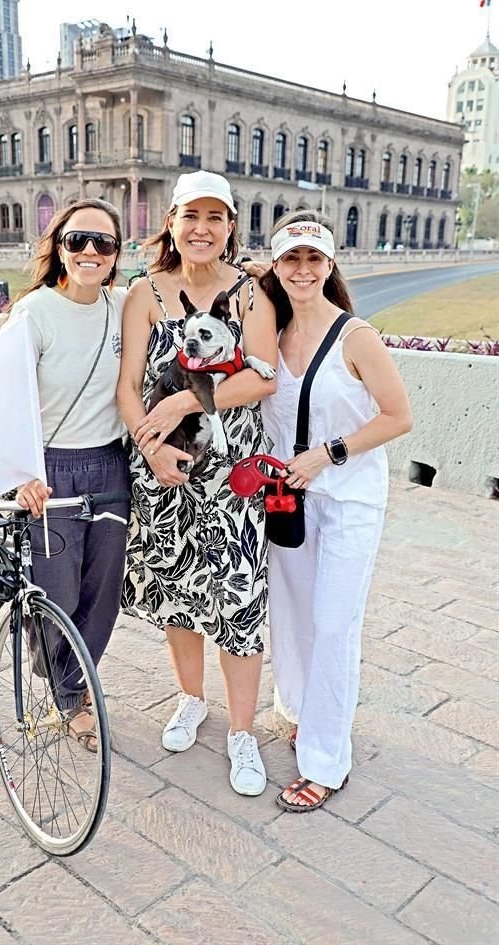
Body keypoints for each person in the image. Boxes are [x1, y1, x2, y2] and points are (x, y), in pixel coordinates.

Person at [117, 170, 278, 796]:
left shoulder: (252, 294)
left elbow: (261, 378)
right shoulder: (144, 294)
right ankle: (190, 699)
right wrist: (151, 451)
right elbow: (128, 388)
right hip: (162, 469)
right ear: (172, 223)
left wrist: (188, 401)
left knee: (238, 600)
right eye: (191, 217)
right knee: (176, 594)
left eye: (216, 218)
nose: (202, 229)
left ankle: (242, 731)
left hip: (232, 473)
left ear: (231, 226)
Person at [259, 210, 413, 811]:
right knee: (292, 615)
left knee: (332, 624)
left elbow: (399, 416)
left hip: (347, 500)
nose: (302, 269)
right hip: (287, 500)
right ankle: (299, 709)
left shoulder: (357, 337)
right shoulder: (269, 337)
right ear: (276, 265)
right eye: (290, 258)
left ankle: (326, 759)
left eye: (313, 258)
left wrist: (329, 454)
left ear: (330, 266)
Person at [7, 198, 130, 750]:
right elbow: (8, 398)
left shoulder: (125, 306)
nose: (89, 251)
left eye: (102, 243)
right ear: (59, 245)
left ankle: (73, 682)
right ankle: (66, 692)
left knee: (102, 591)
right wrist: (23, 473)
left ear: (115, 255)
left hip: (108, 464)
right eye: (78, 239)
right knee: (55, 592)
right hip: (49, 467)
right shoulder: (33, 312)